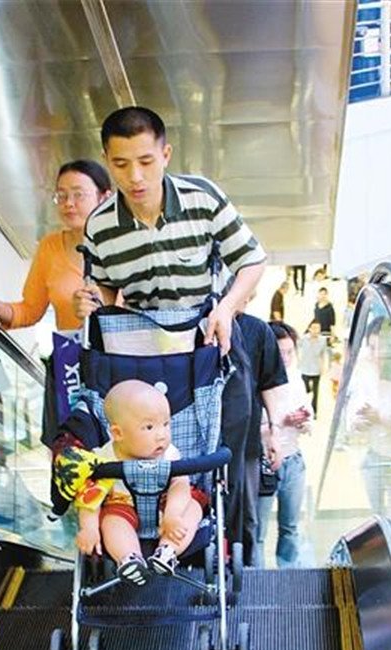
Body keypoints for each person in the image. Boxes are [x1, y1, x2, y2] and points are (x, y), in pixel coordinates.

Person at [71, 106, 271, 547]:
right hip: (138, 351)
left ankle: (235, 547)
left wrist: (228, 307)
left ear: (165, 154)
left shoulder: (203, 199)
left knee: (230, 455)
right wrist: (92, 300)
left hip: (207, 339)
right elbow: (105, 290)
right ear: (107, 161)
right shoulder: (101, 226)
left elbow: (253, 261)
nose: (135, 177)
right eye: (121, 164)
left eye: (146, 161)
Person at [74, 380, 204, 585]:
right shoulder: (103, 458)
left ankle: (167, 552)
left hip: (165, 506)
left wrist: (172, 514)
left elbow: (180, 485)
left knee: (194, 506)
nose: (162, 435)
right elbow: (90, 497)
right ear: (118, 433)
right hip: (123, 507)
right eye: (149, 427)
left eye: (166, 424)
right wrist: (88, 527)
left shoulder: (169, 453)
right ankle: (129, 559)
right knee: (111, 521)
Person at [0, 159, 112, 332]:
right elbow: (29, 311)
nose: (68, 203)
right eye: (61, 196)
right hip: (73, 349)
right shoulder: (49, 247)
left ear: (104, 198)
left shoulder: (127, 244)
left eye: (78, 194)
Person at [256, 322, 313, 568]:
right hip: (264, 463)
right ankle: (255, 578)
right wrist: (279, 423)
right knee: (257, 531)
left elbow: (309, 423)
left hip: (294, 461)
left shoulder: (296, 379)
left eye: (290, 352)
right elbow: (246, 428)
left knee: (290, 527)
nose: (286, 359)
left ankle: (288, 572)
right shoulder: (255, 381)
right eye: (280, 353)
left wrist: (303, 420)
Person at [238, 312, 289, 566]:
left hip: (247, 444)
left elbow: (269, 384)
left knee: (248, 518)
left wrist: (274, 434)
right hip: (200, 444)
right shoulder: (197, 321)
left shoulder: (256, 330)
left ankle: (247, 575)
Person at [298, 321, 328, 416]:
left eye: (318, 328)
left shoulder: (322, 340)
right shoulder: (303, 338)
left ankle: (314, 411)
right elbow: (296, 348)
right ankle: (303, 409)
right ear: (309, 328)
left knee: (316, 392)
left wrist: (323, 366)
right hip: (304, 368)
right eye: (314, 328)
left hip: (316, 369)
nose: (316, 330)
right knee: (305, 390)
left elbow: (323, 354)